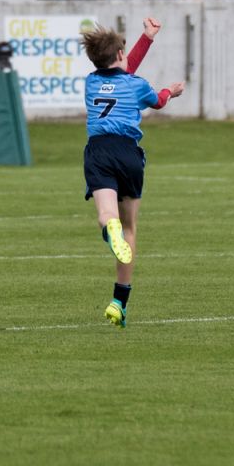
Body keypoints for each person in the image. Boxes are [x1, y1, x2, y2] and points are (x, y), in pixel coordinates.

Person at [80, 17, 184, 327]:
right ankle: (118, 302)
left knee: (106, 215)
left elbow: (120, 67)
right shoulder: (136, 85)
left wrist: (145, 38)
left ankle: (107, 228)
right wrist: (170, 90)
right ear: (122, 55)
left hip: (98, 150)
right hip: (128, 154)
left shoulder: (90, 81)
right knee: (130, 228)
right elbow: (159, 102)